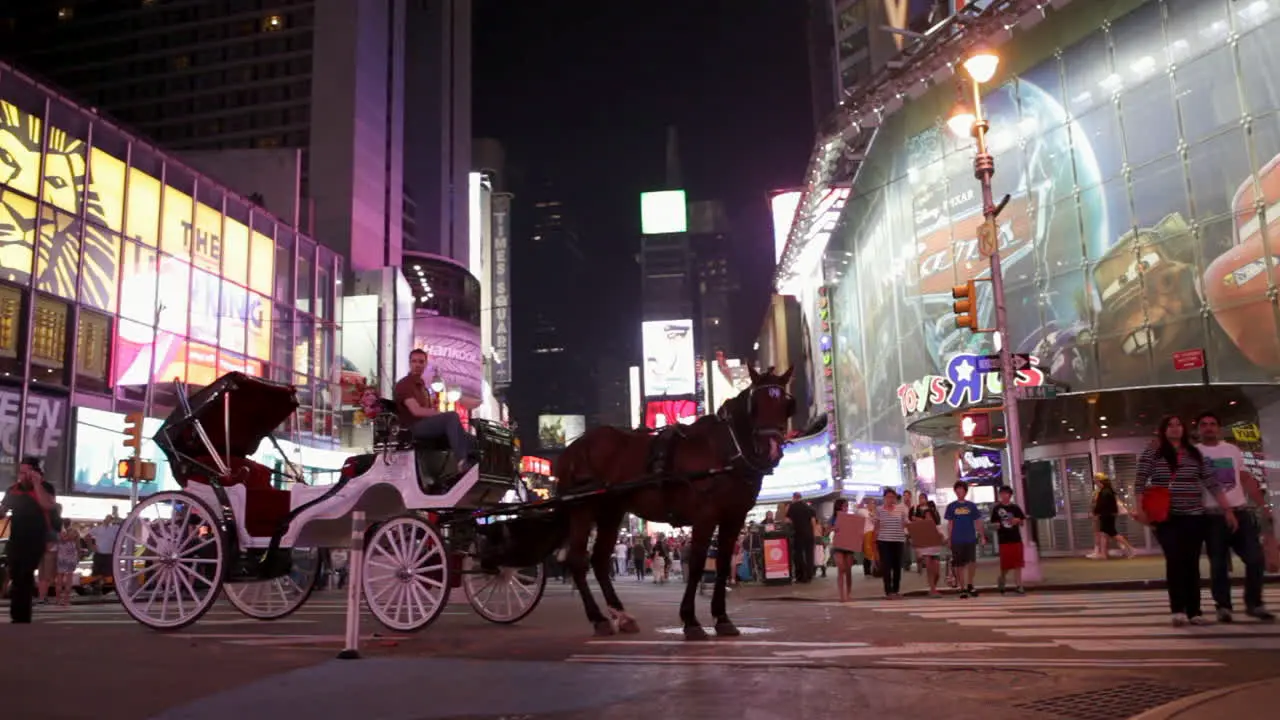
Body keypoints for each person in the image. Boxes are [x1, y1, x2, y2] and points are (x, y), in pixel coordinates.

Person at [1134, 415, 1238, 627]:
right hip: (1166, 517)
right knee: (1174, 560)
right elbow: (1140, 481)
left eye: (1179, 425)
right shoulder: (1153, 451)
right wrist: (1140, 510)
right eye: (1170, 425)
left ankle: (1194, 611)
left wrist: (1227, 509)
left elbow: (1211, 482)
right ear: (1163, 430)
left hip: (1193, 516)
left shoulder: (1194, 453)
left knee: (1191, 564)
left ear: (1184, 429)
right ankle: (1178, 610)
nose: (1175, 429)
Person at [1195, 412, 1275, 623]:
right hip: (1212, 516)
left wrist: (1263, 505)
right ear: (1198, 429)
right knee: (1219, 563)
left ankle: (1254, 603)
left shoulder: (1232, 450)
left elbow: (1245, 478)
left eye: (1213, 424)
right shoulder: (1194, 453)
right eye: (1204, 425)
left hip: (1240, 511)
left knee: (1255, 558)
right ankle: (1223, 606)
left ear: (1219, 428)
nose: (1209, 428)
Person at [393, 348, 477, 475]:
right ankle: (461, 461)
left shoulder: (423, 387)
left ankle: (476, 464)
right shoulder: (405, 385)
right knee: (451, 417)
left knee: (471, 438)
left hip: (425, 425)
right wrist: (439, 414)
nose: (417, 365)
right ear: (409, 363)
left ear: (425, 364)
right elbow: (416, 411)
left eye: (421, 362)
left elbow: (427, 412)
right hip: (413, 428)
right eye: (414, 361)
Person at [1, 456, 57, 623]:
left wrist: (37, 483)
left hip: (36, 539)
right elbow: (3, 510)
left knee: (25, 574)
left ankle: (22, 616)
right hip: (16, 539)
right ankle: (17, 615)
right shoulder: (13, 490)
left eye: (26, 472)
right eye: (21, 472)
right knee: (15, 574)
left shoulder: (45, 488)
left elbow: (47, 505)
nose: (21, 475)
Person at [945, 481, 986, 599]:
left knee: (972, 562)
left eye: (961, 489)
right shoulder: (951, 506)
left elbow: (978, 522)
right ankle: (962, 587)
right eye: (957, 490)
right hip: (957, 539)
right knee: (959, 564)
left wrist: (982, 536)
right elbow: (950, 524)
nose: (959, 492)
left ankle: (970, 584)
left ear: (965, 491)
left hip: (970, 538)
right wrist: (949, 538)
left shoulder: (971, 506)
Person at [990, 485, 1027, 595]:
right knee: (1005, 565)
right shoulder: (996, 508)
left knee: (1018, 564)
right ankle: (1002, 579)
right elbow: (992, 524)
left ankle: (1019, 585)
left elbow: (1022, 522)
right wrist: (996, 525)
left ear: (1010, 495)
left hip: (1016, 539)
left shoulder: (1015, 508)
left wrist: (1017, 521)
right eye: (1002, 494)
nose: (1004, 496)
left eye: (1006, 493)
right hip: (1004, 540)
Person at [874, 488, 909, 598]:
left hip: (898, 541)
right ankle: (888, 591)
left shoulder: (900, 510)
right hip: (884, 541)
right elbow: (876, 527)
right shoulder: (879, 510)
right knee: (886, 566)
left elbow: (905, 524)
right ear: (884, 498)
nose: (890, 499)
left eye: (892, 497)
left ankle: (896, 590)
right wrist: (874, 542)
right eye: (888, 497)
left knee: (897, 566)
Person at [1091, 472, 1135, 560]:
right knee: (1104, 533)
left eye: (1096, 482)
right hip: (1108, 515)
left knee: (1113, 533)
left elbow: (1101, 504)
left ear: (1100, 481)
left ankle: (1130, 549)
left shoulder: (1104, 491)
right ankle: (1103, 554)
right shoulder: (1108, 490)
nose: (1096, 484)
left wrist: (1096, 512)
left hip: (1106, 515)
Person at [911, 493, 943, 596]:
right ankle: (933, 589)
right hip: (926, 546)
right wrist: (918, 553)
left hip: (935, 547)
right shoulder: (916, 511)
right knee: (929, 566)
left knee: (937, 571)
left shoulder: (936, 525)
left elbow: (941, 535)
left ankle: (933, 587)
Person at [785, 492, 817, 582]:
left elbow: (787, 521)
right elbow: (813, 522)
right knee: (809, 555)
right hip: (809, 535)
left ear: (794, 498)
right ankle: (810, 575)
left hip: (798, 534)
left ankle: (801, 576)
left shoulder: (792, 507)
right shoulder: (809, 508)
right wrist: (813, 534)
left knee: (798, 555)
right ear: (801, 497)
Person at [829, 498, 857, 602]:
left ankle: (848, 593)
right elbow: (827, 529)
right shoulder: (834, 518)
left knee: (848, 570)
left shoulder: (850, 517)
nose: (845, 508)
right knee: (841, 568)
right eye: (844, 505)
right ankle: (841, 595)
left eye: (846, 506)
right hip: (838, 545)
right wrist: (833, 529)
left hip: (849, 545)